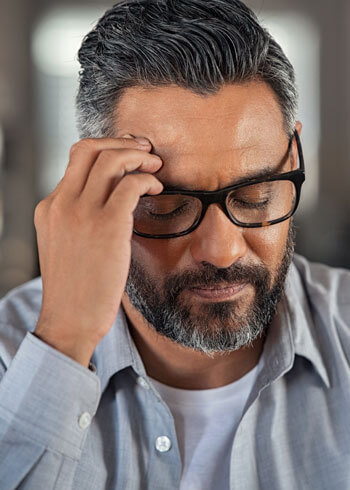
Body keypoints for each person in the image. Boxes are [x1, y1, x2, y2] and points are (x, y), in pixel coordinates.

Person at [0, 0, 349, 488]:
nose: (222, 251)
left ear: (294, 153)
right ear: (93, 189)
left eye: (255, 197)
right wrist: (65, 338)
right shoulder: (9, 357)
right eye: (167, 205)